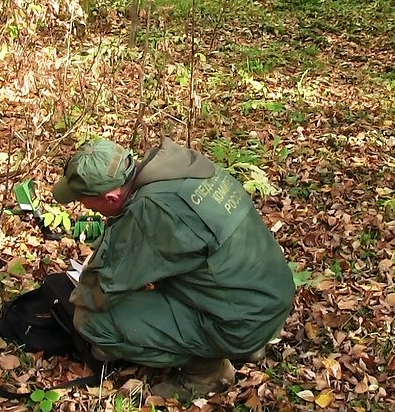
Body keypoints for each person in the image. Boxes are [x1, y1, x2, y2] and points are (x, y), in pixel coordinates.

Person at [51, 136, 295, 399]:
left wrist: (78, 293)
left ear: (110, 198)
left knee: (91, 321)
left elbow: (100, 290)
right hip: (271, 296)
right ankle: (248, 343)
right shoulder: (181, 167)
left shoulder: (151, 210)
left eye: (83, 200)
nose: (84, 207)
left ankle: (208, 373)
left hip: (243, 320)